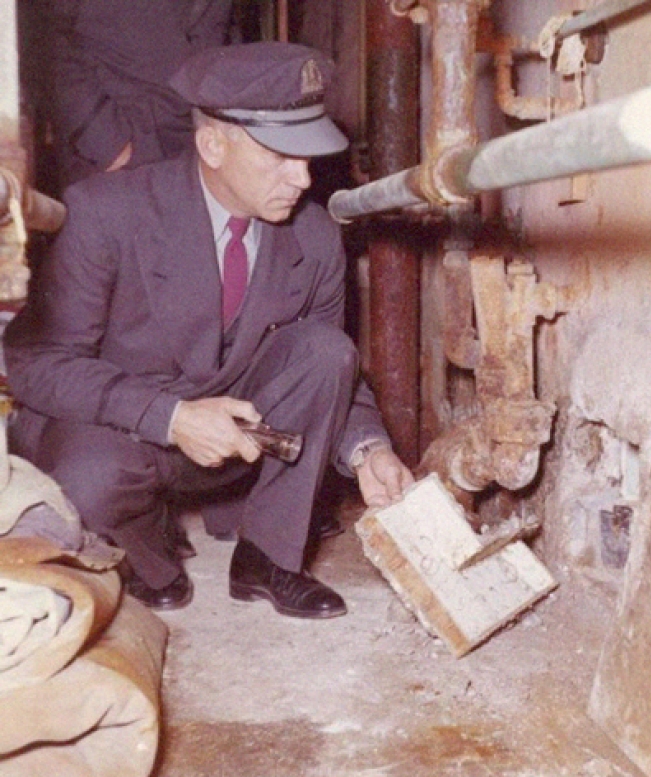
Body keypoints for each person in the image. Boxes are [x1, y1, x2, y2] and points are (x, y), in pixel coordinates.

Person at [4, 41, 415, 618]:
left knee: (326, 350)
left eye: (308, 156)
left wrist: (368, 449)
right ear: (213, 145)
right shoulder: (106, 212)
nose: (302, 178)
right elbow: (36, 363)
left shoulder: (315, 236)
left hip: (237, 443)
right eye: (281, 156)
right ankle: (145, 552)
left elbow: (331, 374)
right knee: (87, 481)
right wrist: (170, 417)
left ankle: (268, 558)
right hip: (125, 433)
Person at [47, 0, 235, 190]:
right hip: (118, 144)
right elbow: (49, 34)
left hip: (195, 143)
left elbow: (215, 36)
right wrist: (105, 140)